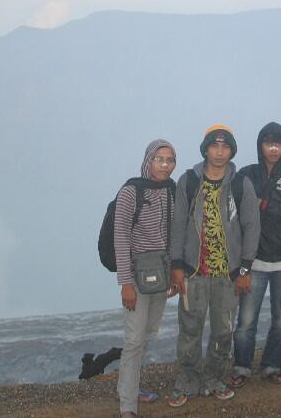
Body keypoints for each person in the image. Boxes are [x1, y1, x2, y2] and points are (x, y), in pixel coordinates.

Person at [168, 125, 260, 407]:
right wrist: (176, 266)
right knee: (190, 330)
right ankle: (186, 381)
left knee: (223, 332)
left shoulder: (241, 184)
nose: (220, 152)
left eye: (225, 147)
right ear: (205, 149)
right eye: (214, 146)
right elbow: (178, 225)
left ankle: (213, 379)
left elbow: (252, 227)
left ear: (231, 151)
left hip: (228, 275)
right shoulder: (188, 181)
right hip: (194, 272)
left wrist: (244, 271)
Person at [230, 122, 281, 386]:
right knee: (245, 321)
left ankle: (272, 366)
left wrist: (267, 205)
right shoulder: (245, 175)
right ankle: (241, 367)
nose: (273, 148)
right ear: (260, 145)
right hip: (254, 261)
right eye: (268, 143)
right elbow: (236, 214)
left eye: (279, 143)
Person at [114, 139, 179, 418]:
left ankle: (131, 386)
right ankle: (128, 405)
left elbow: (175, 234)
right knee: (133, 340)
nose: (165, 165)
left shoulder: (172, 190)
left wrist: (175, 273)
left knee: (147, 334)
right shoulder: (131, 191)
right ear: (148, 160)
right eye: (159, 159)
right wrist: (125, 283)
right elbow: (120, 236)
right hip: (136, 277)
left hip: (162, 275)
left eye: (170, 160)